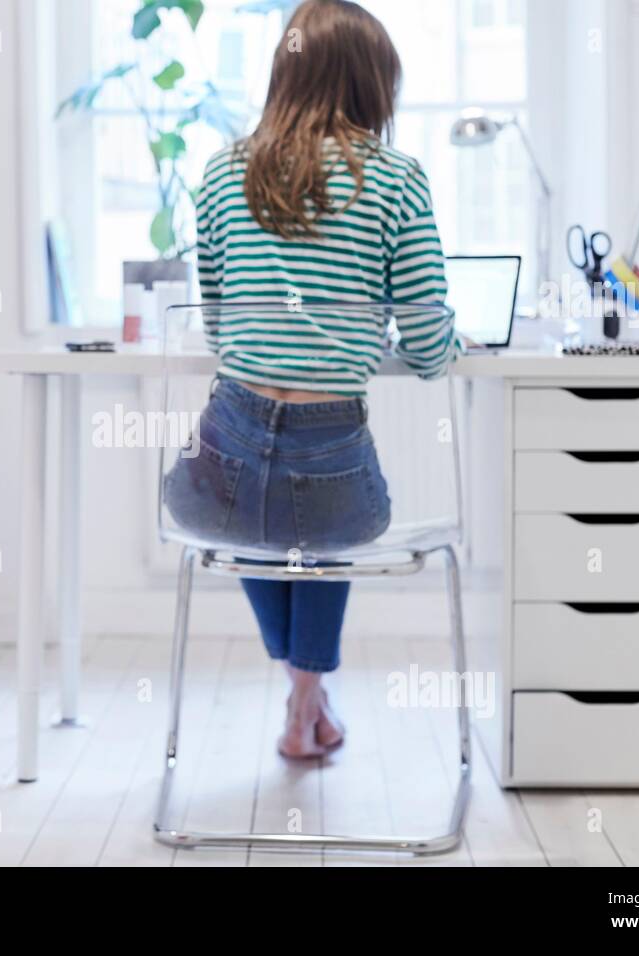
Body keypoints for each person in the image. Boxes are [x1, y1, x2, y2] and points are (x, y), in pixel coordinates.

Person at [163, 0, 465, 759]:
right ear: (373, 84)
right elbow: (429, 345)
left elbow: (219, 319)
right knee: (319, 529)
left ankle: (305, 697)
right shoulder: (397, 179)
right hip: (331, 462)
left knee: (250, 525)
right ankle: (307, 698)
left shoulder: (222, 170)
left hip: (225, 450)